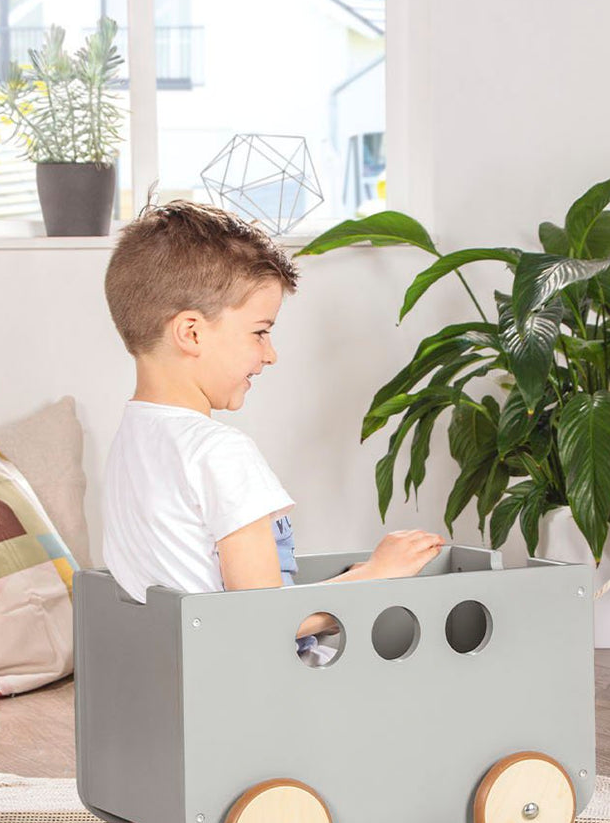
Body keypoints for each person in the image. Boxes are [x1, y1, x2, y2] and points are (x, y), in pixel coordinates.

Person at [100, 201, 444, 654]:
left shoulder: (131, 442)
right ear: (192, 333)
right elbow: (267, 622)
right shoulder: (219, 451)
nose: (270, 354)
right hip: (258, 687)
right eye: (260, 332)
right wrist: (377, 574)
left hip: (175, 673)